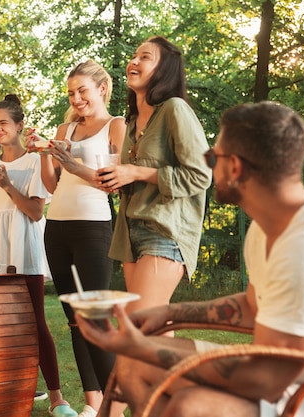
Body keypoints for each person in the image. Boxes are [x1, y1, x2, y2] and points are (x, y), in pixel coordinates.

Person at [77, 101, 304, 417]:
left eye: (212, 158)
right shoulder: (264, 231)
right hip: (271, 374)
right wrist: (169, 313)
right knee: (134, 365)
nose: (209, 166)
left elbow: (266, 379)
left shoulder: (302, 246)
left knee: (191, 406)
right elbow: (254, 305)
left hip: (294, 391)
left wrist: (139, 344)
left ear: (236, 167)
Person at [0, 95, 78, 417]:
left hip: (22, 248)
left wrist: (9, 185)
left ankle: (56, 397)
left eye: (4, 124)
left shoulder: (33, 161)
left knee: (35, 322)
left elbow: (36, 212)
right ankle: (5, 391)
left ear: (19, 125)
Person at [26, 59, 126, 417]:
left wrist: (70, 164)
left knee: (95, 317)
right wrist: (44, 155)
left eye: (82, 90)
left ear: (101, 88)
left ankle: (118, 401)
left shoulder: (116, 126)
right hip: (58, 227)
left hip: (93, 226)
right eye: (71, 92)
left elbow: (112, 182)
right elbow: (53, 185)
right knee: (74, 319)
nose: (77, 98)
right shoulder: (64, 128)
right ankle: (94, 403)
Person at [99, 36, 211, 315]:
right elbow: (133, 176)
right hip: (129, 234)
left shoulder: (175, 109)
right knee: (147, 328)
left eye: (145, 57)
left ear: (164, 70)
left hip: (165, 230)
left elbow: (200, 175)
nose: (133, 61)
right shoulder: (133, 120)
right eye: (134, 56)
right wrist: (116, 181)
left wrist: (135, 171)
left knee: (141, 322)